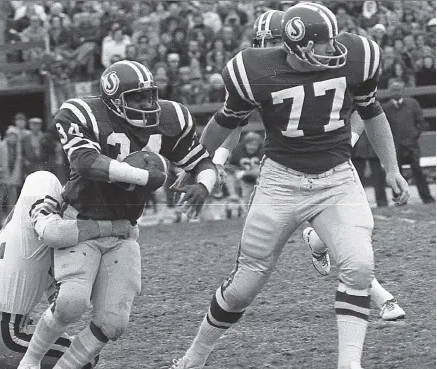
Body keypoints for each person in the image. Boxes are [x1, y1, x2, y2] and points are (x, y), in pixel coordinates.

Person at [170, 4, 410, 369]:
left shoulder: (358, 55)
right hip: (280, 181)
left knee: (359, 267)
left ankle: (350, 364)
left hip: (336, 177)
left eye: (333, 41)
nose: (334, 51)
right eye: (324, 45)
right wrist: (198, 164)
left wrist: (391, 168)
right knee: (243, 287)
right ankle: (194, 356)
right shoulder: (254, 70)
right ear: (297, 46)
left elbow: (371, 111)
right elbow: (226, 121)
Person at [17, 60, 218, 369]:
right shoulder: (83, 113)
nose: (146, 104)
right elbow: (85, 162)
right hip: (81, 218)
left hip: (124, 228)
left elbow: (202, 162)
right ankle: (29, 364)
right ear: (113, 99)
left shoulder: (170, 117)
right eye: (135, 98)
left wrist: (203, 186)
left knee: (113, 323)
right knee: (70, 305)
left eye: (149, 96)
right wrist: (141, 176)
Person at [212, 8, 406, 321]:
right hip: (284, 164)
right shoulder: (259, 73)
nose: (267, 48)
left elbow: (365, 107)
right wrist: (217, 159)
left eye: (273, 40)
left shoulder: (332, 62)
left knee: (353, 239)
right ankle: (372, 288)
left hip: (333, 157)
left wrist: (358, 143)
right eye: (261, 42)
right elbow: (231, 121)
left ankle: (368, 287)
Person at [0, 170, 137, 369]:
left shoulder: (19, 224)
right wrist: (110, 228)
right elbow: (54, 233)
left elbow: (50, 285)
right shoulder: (46, 206)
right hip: (0, 333)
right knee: (85, 360)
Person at [383, 79, 435, 204]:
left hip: (412, 145)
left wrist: (413, 136)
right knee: (397, 174)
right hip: (395, 146)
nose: (396, 92)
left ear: (403, 91)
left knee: (418, 172)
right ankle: (400, 200)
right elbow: (383, 128)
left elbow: (421, 123)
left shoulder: (412, 104)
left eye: (398, 89)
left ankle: (427, 198)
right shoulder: (385, 108)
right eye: (393, 90)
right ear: (389, 92)